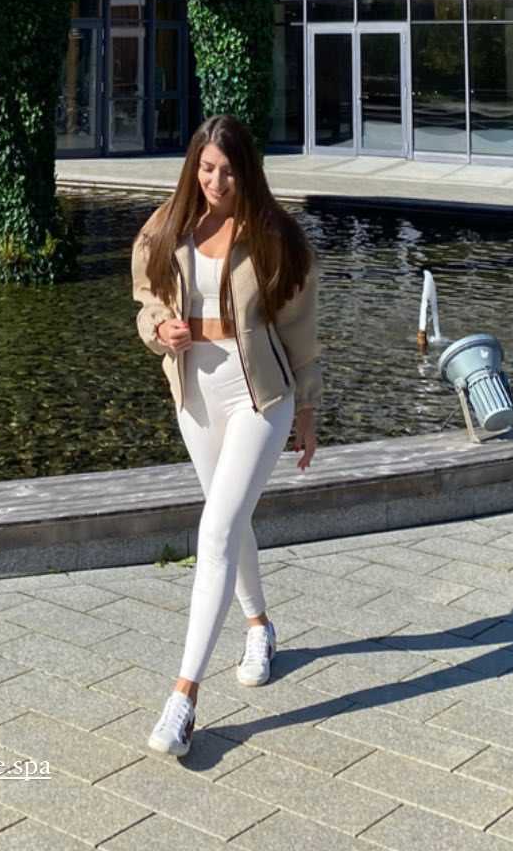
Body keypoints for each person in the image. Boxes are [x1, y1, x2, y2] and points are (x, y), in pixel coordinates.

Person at [130, 113, 322, 759]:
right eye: (207, 168)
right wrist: (160, 330)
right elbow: (146, 297)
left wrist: (307, 410)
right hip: (196, 396)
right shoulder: (168, 225)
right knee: (229, 523)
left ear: (249, 172)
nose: (216, 181)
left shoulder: (275, 236)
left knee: (213, 533)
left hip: (259, 397)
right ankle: (259, 625)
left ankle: (183, 698)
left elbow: (299, 330)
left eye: (229, 171)